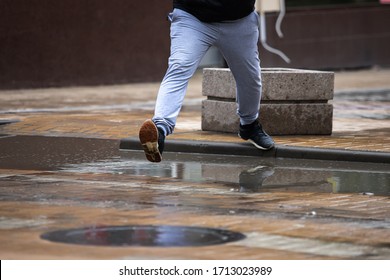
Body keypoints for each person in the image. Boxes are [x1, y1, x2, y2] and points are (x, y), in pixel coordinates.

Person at [139, 0, 275, 163]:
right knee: (179, 66)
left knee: (250, 77)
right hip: (192, 18)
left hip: (239, 21)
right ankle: (159, 129)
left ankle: (249, 126)